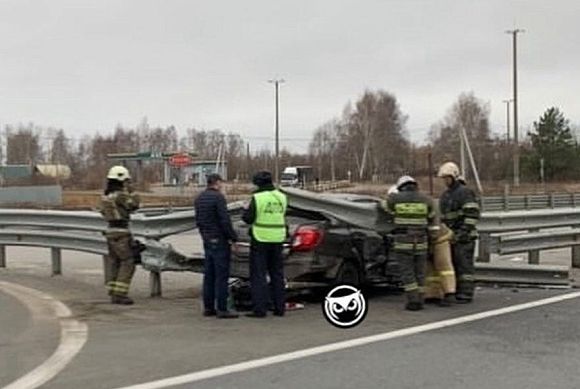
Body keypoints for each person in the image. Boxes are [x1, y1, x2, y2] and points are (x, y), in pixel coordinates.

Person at [381, 175, 438, 311]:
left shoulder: (395, 198)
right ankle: (421, 298)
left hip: (403, 242)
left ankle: (413, 301)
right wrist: (433, 238)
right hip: (422, 242)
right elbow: (433, 219)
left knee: (408, 272)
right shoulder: (427, 199)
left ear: (401, 187)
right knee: (420, 272)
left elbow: (383, 207)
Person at [242, 171, 288, 318]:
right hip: (278, 238)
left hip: (260, 238)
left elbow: (248, 219)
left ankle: (260, 309)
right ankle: (279, 308)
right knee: (277, 274)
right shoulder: (282, 197)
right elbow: (283, 214)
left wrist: (245, 210)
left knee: (259, 275)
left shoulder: (257, 198)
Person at [194, 173, 239, 319]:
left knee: (209, 275)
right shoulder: (218, 198)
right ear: (217, 182)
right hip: (219, 239)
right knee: (221, 276)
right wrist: (233, 238)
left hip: (207, 239)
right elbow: (225, 221)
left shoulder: (199, 198)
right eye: (221, 183)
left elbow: (198, 221)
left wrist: (204, 236)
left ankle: (208, 308)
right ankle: (222, 308)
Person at [437, 162, 481, 303]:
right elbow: (443, 218)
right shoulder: (445, 195)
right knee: (454, 265)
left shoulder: (464, 193)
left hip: (465, 237)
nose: (445, 181)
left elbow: (472, 215)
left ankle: (466, 293)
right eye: (443, 178)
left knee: (464, 266)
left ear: (454, 177)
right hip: (452, 236)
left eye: (447, 178)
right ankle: (455, 291)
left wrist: (462, 233)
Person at [100, 166, 140, 305]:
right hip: (121, 232)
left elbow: (103, 212)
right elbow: (134, 205)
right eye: (126, 181)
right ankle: (120, 294)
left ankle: (113, 292)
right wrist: (133, 191)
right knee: (128, 262)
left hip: (110, 232)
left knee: (114, 262)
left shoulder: (105, 196)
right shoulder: (120, 195)